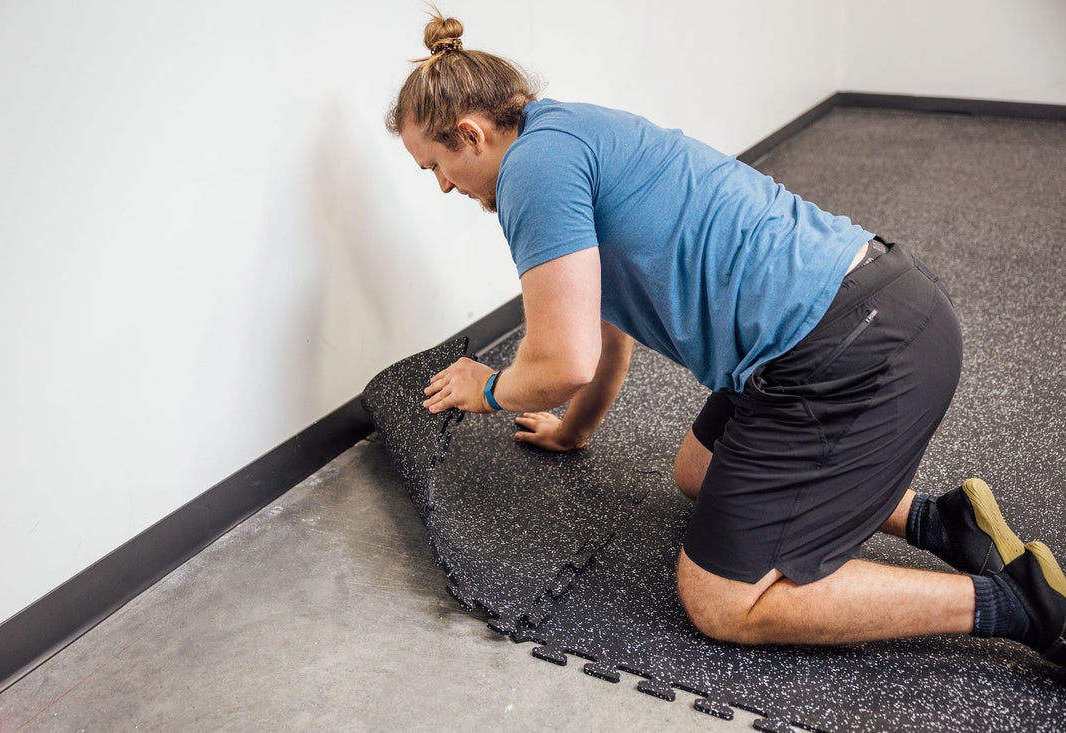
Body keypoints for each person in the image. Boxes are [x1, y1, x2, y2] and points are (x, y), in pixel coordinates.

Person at [385, 12, 1065, 665]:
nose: (442, 186)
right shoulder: (562, 129)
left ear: (472, 135)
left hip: (851, 354)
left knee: (720, 598)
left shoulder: (531, 175)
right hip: (871, 306)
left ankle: (1016, 604)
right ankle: (942, 523)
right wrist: (572, 430)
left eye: (434, 166)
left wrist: (491, 386)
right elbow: (603, 325)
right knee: (698, 471)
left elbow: (563, 358)